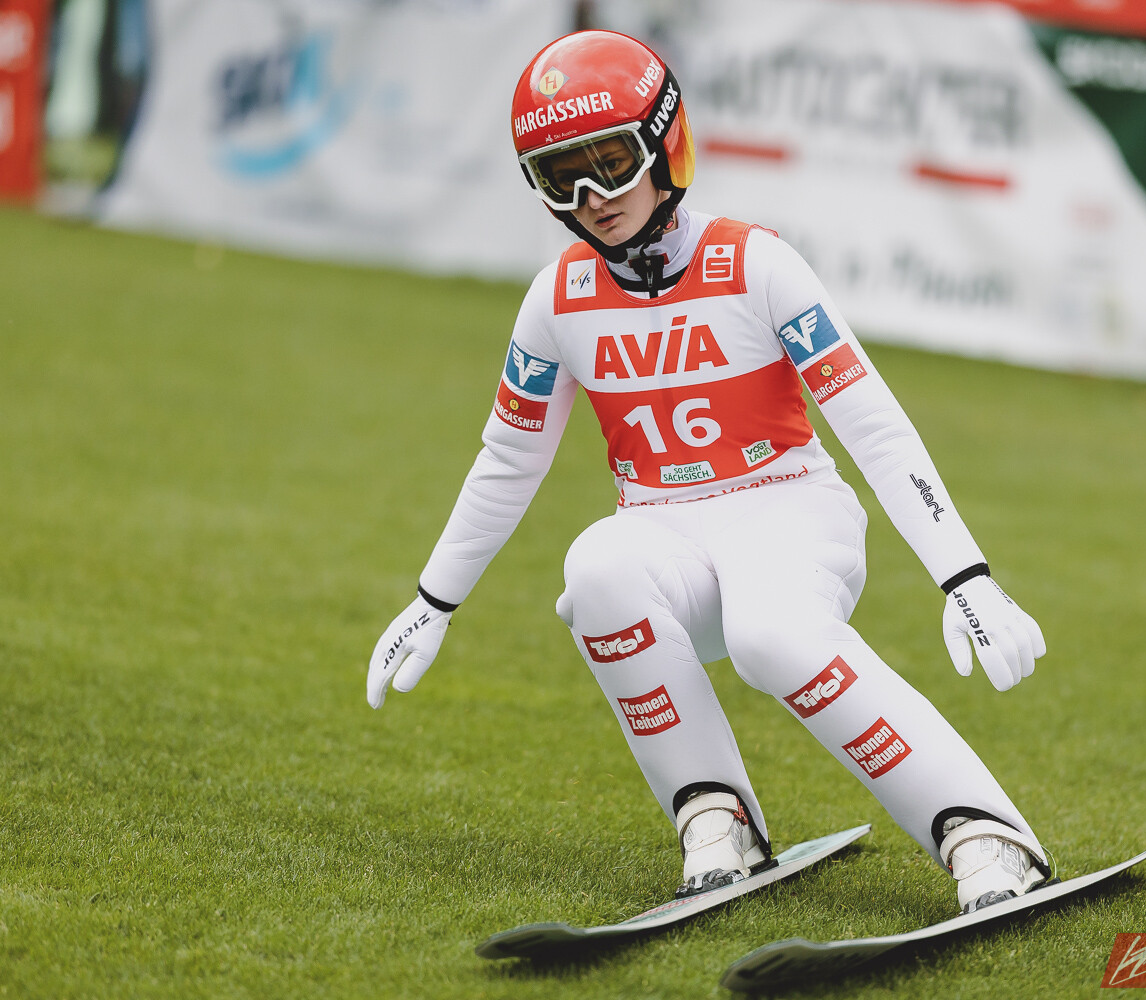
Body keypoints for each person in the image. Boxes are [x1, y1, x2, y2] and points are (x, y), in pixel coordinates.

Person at [366, 30, 1053, 910]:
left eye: (610, 163)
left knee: (771, 634)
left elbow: (873, 425)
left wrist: (966, 575)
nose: (590, 199)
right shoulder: (556, 300)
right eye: (559, 176)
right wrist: (434, 602)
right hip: (665, 533)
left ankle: (984, 832)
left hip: (789, 512)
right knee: (596, 567)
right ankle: (714, 816)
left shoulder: (755, 262)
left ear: (665, 144)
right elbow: (507, 458)